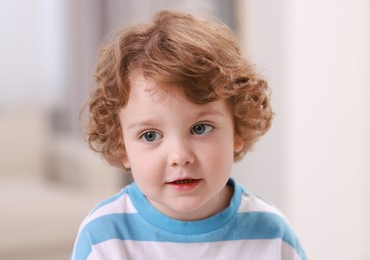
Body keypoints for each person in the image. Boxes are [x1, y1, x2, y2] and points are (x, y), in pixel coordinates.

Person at [71, 9, 306, 260]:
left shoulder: (272, 234)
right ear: (121, 146)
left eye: (200, 128)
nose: (179, 156)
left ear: (237, 130)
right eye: (150, 135)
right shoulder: (103, 236)